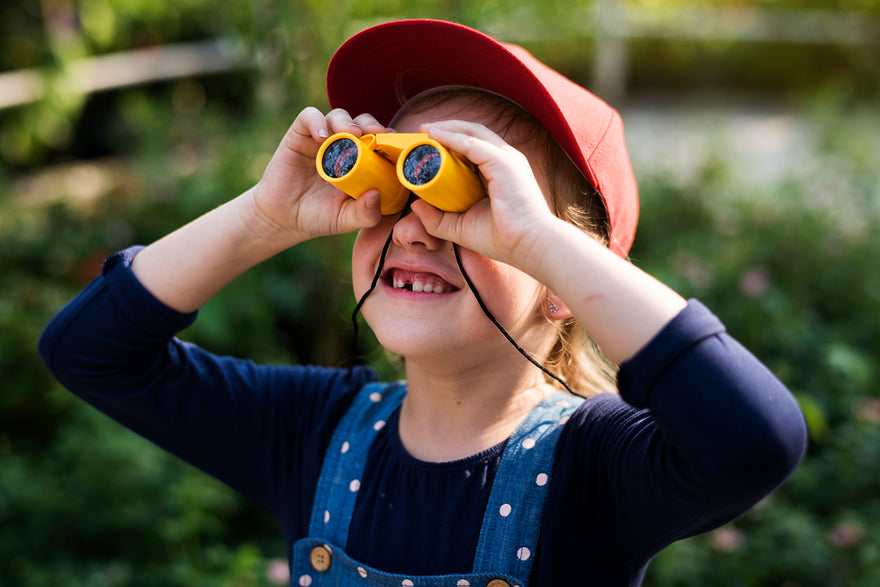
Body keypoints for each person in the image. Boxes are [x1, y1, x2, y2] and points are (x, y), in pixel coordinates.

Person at [39, 19, 807, 587]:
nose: (418, 227)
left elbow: (757, 437)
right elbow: (88, 350)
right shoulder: (312, 432)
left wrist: (539, 241)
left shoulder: (599, 467)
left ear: (569, 286)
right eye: (394, 185)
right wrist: (263, 217)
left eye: (472, 200)